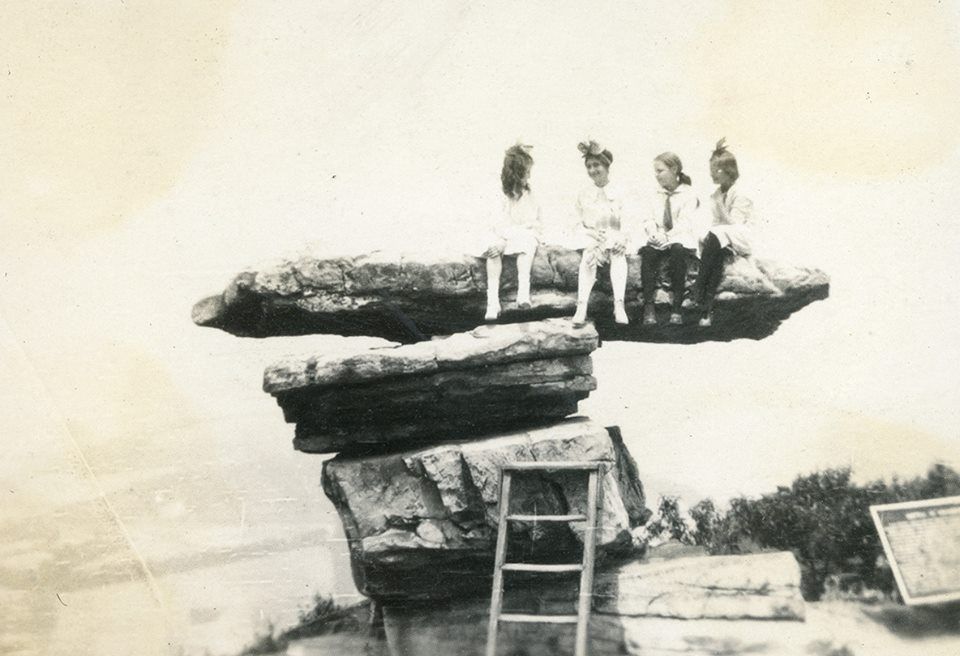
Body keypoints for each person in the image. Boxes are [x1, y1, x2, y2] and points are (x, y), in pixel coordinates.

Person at [695, 138, 757, 327]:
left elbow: (735, 224)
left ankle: (699, 286)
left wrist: (720, 206)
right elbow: (716, 223)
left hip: (741, 236)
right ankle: (706, 308)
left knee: (716, 235)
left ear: (726, 171)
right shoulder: (715, 194)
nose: (712, 174)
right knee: (712, 249)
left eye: (715, 170)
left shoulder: (741, 193)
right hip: (723, 238)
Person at [479, 144, 542, 321]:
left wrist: (506, 240)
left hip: (522, 235)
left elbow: (533, 223)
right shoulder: (501, 194)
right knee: (492, 249)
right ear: (515, 173)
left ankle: (523, 293)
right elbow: (497, 224)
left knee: (527, 242)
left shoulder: (530, 195)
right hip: (501, 234)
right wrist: (501, 241)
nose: (529, 176)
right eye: (525, 172)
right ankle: (493, 302)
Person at [571, 140, 630, 325]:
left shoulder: (620, 191)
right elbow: (576, 222)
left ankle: (619, 305)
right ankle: (582, 306)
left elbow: (629, 220)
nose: (592, 170)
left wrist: (623, 239)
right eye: (588, 166)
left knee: (618, 253)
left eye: (596, 165)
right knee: (589, 252)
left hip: (615, 235)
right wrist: (590, 235)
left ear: (606, 166)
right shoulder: (583, 194)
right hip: (592, 235)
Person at [639, 152, 699, 325]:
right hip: (658, 238)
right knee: (649, 252)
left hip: (679, 237)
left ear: (674, 169)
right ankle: (649, 307)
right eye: (655, 172)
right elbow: (649, 218)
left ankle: (677, 308)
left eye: (660, 171)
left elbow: (685, 222)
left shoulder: (688, 194)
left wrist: (667, 236)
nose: (656, 176)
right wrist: (653, 233)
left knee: (678, 250)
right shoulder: (654, 194)